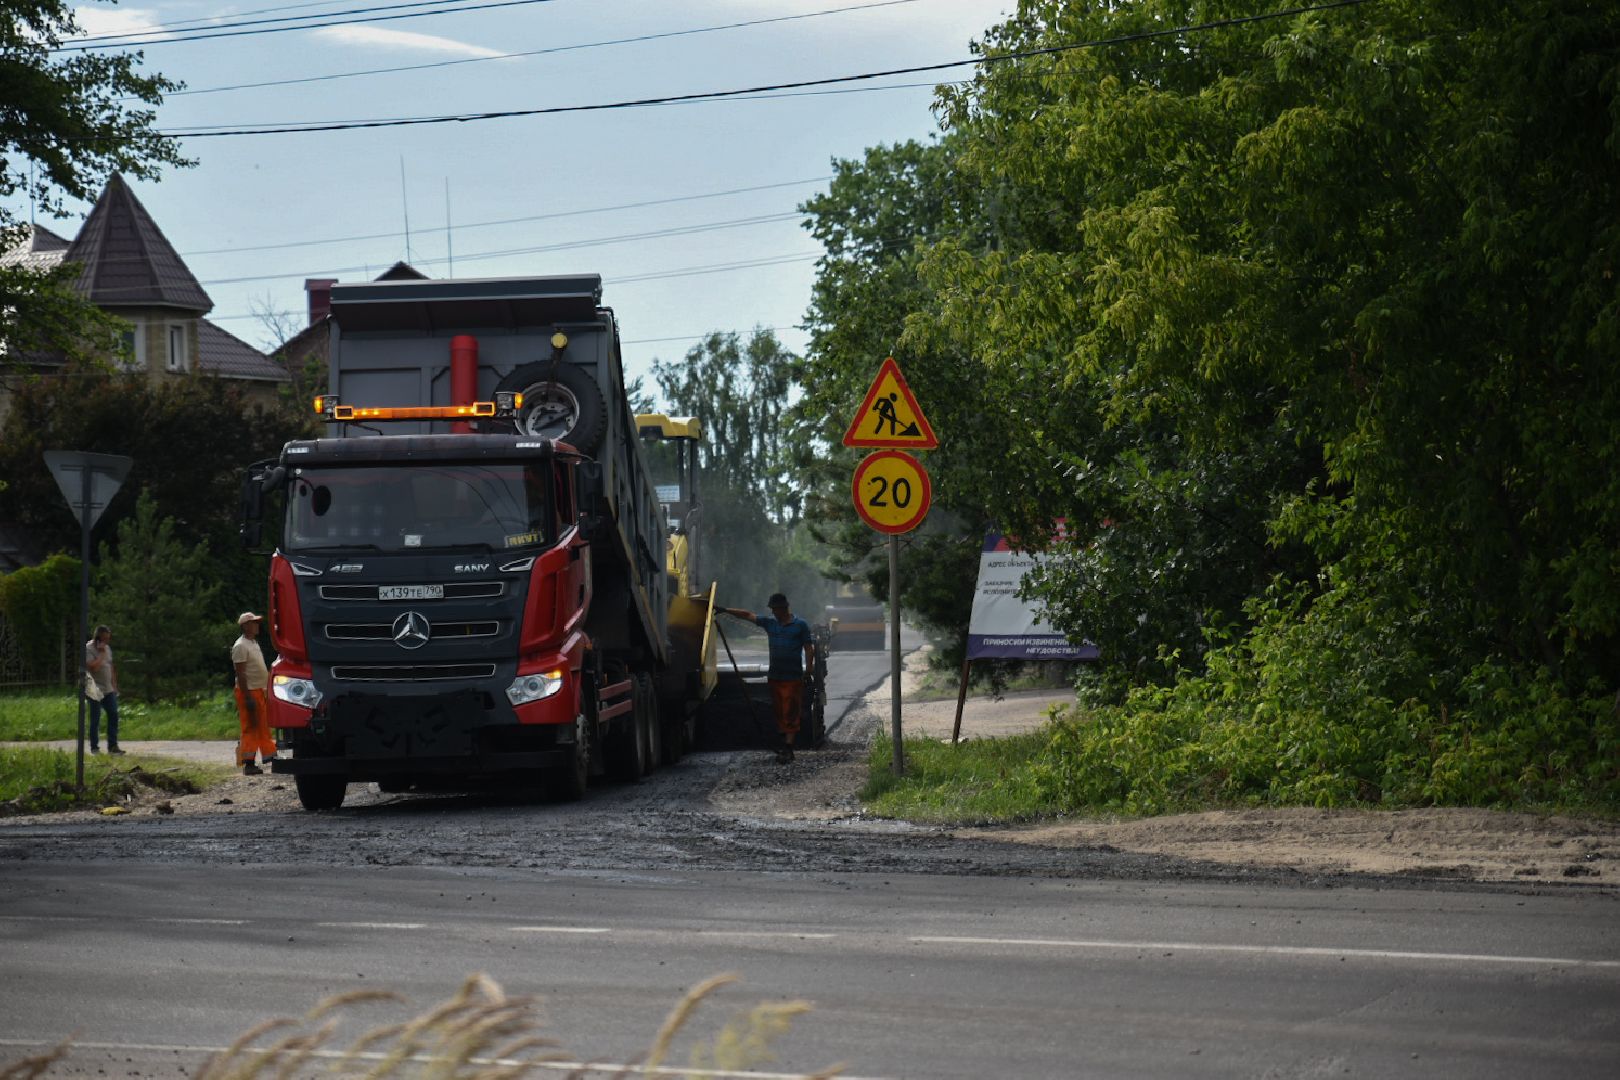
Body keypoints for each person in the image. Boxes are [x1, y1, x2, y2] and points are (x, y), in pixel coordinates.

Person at [720, 593, 815, 763]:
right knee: (779, 711)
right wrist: (725, 610)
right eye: (772, 610)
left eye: (775, 609)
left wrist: (808, 669)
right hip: (775, 676)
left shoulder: (800, 625)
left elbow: (808, 648)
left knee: (791, 711)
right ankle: (783, 744)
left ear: (784, 608)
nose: (774, 613)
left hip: (792, 677)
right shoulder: (770, 623)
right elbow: (748, 615)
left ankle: (788, 749)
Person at [232, 612, 276, 775]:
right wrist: (247, 697)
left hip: (258, 691)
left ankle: (270, 757)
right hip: (248, 692)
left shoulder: (253, 643)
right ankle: (248, 764)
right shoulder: (240, 646)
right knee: (250, 727)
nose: (257, 625)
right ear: (245, 626)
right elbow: (241, 673)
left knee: (263, 725)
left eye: (257, 622)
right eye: (253, 622)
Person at [83, 624, 121, 755]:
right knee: (95, 718)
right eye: (104, 639)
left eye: (108, 639)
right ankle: (94, 747)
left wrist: (114, 685)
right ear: (97, 638)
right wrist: (101, 653)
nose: (107, 641)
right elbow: (94, 667)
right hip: (94, 687)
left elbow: (110, 667)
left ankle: (113, 746)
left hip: (108, 688)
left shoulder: (107, 648)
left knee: (114, 714)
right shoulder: (88, 649)